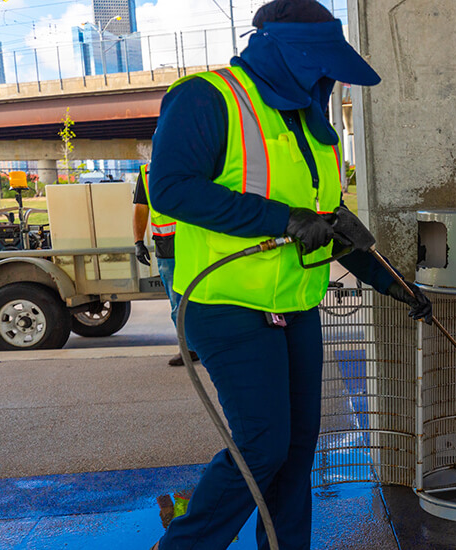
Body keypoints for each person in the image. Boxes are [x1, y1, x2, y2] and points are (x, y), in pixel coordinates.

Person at [146, 1, 432, 548]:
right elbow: (173, 189)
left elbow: (330, 225)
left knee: (299, 449)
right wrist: (282, 218)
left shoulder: (309, 121)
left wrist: (394, 286)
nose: (325, 77)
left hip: (296, 308)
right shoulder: (209, 98)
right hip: (227, 303)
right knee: (261, 446)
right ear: (277, 50)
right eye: (316, 62)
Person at [133, 163, 198, 366]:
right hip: (170, 247)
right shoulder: (147, 172)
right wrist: (138, 242)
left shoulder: (195, 162)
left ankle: (202, 346)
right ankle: (189, 348)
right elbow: (141, 209)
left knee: (200, 298)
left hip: (194, 243)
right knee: (178, 303)